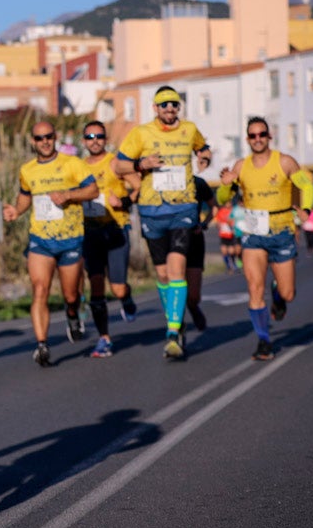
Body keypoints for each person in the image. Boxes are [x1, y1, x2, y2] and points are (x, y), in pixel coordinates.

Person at [112, 85, 209, 361]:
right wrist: (141, 165)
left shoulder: (189, 129)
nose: (169, 109)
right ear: (155, 108)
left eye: (174, 104)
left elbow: (203, 147)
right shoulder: (141, 133)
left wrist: (205, 156)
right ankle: (176, 320)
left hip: (183, 209)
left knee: (176, 269)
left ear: (179, 107)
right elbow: (118, 166)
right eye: (164, 104)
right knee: (163, 274)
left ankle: (173, 333)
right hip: (152, 212)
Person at [216, 117, 313, 361]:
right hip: (253, 233)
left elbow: (307, 187)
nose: (257, 139)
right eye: (253, 135)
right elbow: (222, 198)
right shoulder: (241, 166)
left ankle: (278, 296)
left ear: (269, 136)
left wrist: (306, 209)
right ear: (247, 139)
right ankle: (264, 340)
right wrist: (226, 184)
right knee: (254, 288)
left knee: (288, 293)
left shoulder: (285, 162)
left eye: (262, 134)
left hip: (281, 233)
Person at [2, 120, 99, 366]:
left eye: (48, 137)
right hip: (41, 239)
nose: (44, 142)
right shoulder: (28, 170)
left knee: (70, 295)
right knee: (40, 289)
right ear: (33, 142)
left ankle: (72, 313)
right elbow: (25, 197)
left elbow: (93, 191)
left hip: (70, 238)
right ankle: (42, 344)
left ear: (55, 138)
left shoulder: (72, 163)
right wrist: (16, 211)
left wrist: (68, 195)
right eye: (39, 138)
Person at [78, 121, 139, 359]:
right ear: (83, 141)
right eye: (90, 137)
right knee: (96, 285)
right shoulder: (78, 167)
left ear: (105, 139)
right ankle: (104, 338)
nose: (95, 141)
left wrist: (123, 202)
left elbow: (140, 187)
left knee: (118, 287)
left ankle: (126, 297)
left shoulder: (116, 163)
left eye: (99, 136)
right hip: (90, 232)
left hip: (116, 230)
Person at [185, 148, 216, 333]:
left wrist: (204, 224)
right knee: (175, 285)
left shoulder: (198, 183)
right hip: (172, 240)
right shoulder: (163, 184)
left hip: (194, 239)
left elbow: (214, 207)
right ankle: (177, 328)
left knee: (194, 295)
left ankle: (193, 306)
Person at [214, 199, 239, 272]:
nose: (229, 204)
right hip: (223, 234)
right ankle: (228, 266)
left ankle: (233, 263)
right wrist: (218, 225)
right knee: (224, 251)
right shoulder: (221, 211)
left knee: (231, 251)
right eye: (228, 203)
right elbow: (218, 221)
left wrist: (231, 223)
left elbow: (234, 221)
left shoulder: (232, 211)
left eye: (230, 203)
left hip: (230, 234)